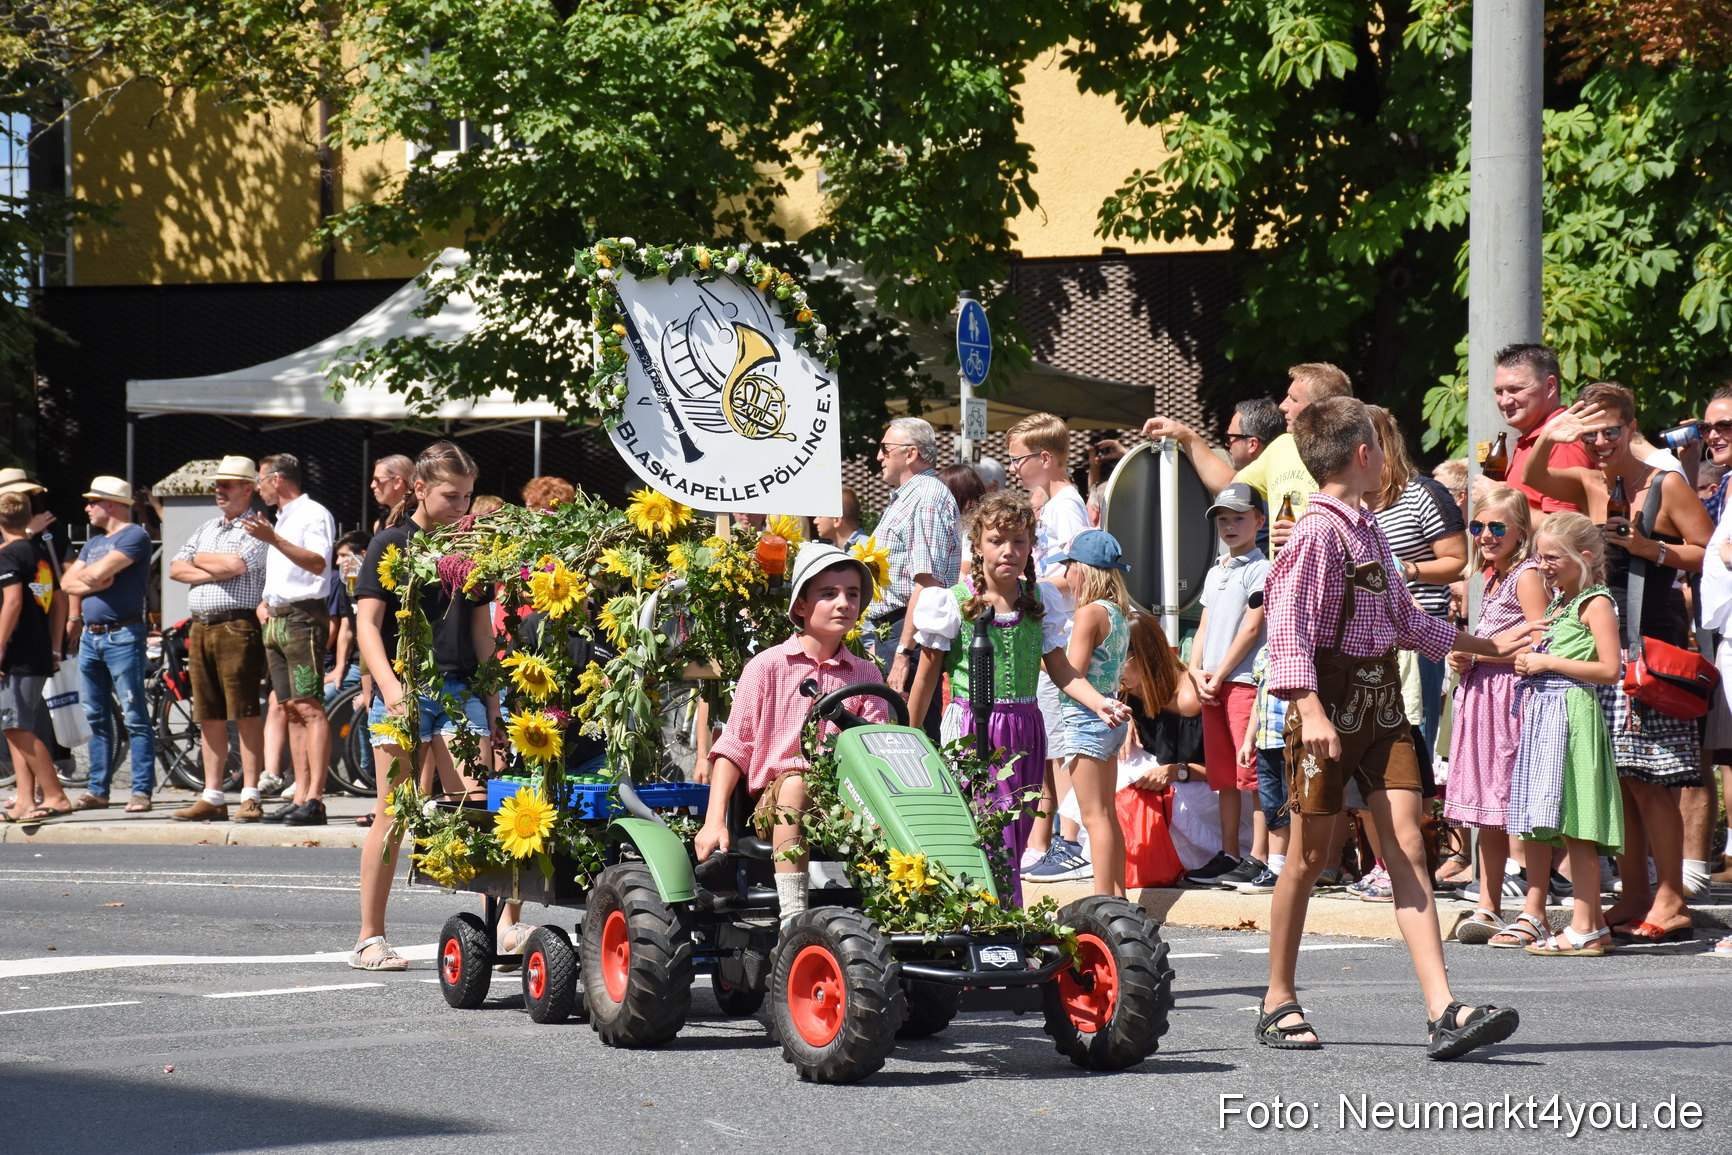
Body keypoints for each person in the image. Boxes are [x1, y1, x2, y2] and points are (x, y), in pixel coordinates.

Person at [1258, 396, 1522, 1058]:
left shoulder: (1370, 526)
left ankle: (1444, 1010)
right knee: (1309, 856)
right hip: (1325, 708)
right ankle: (1276, 997)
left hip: (1381, 706)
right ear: (1364, 454)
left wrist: (1495, 645)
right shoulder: (1317, 533)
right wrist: (1310, 710)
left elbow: (1408, 620)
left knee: (1406, 844)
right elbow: (1286, 629)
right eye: (1381, 445)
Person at [1518, 382, 1712, 944]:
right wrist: (1549, 438)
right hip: (1608, 642)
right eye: (1590, 434)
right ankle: (1633, 892)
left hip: (1652, 642)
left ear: (1632, 428)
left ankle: (1671, 897)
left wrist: (1649, 547)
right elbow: (1532, 480)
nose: (1600, 443)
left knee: (1654, 780)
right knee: (1622, 778)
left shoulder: (1665, 483)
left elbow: (1707, 550)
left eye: (1610, 431)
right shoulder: (1593, 481)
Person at [905, 499, 1131, 898]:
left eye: (1019, 541)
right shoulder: (953, 601)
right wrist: (908, 735)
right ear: (977, 545)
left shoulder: (1038, 599)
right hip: (972, 727)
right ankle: (989, 916)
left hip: (1026, 727)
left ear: (1031, 547)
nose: (1008, 550)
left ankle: (1004, 917)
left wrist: (1099, 702)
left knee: (1017, 832)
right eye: (996, 540)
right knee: (985, 830)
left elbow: (1062, 669)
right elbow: (925, 676)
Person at [351, 441, 499, 971]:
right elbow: (367, 624)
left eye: (467, 497)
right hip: (405, 689)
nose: (462, 507)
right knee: (393, 814)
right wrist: (389, 687)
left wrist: (494, 702)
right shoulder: (390, 543)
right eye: (451, 496)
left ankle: (500, 929)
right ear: (418, 490)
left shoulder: (474, 548)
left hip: (460, 692)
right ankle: (370, 937)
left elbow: (483, 632)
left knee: (483, 812)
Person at [694, 542, 888, 926]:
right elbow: (734, 747)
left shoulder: (867, 674)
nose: (844, 603)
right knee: (797, 782)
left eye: (852, 594)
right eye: (828, 594)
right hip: (775, 802)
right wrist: (714, 820)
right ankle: (793, 918)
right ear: (801, 606)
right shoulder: (766, 666)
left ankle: (895, 907)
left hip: (844, 797)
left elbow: (876, 746)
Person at [1507, 513, 1624, 955]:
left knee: (1578, 824)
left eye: (1553, 557)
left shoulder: (1595, 603)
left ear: (1584, 557)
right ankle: (1592, 925)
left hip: (1573, 716)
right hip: (1546, 714)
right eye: (1540, 556)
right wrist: (1528, 661)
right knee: (1556, 822)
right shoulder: (1559, 604)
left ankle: (1584, 924)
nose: (1544, 565)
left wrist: (1548, 663)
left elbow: (1610, 670)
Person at [1441, 487, 1550, 945]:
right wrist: (1464, 657)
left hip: (1512, 696)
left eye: (1497, 527)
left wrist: (1482, 658)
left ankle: (1534, 909)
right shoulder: (1491, 575)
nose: (1486, 535)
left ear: (1521, 531)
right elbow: (1492, 637)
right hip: (1483, 695)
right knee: (1488, 809)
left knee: (1521, 804)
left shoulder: (1526, 574)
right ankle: (1488, 904)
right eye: (1478, 526)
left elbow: (1544, 637)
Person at [1006, 412, 1093, 876]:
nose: (1014, 469)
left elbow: (1080, 571)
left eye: (1019, 459)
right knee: (1050, 744)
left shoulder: (1065, 506)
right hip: (1050, 631)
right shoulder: (1055, 504)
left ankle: (1070, 842)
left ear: (1045, 457)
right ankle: (1045, 843)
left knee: (1061, 745)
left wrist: (1032, 584)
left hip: (1060, 634)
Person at [168, 456, 269, 822]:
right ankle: (212, 795)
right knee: (207, 712)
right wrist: (213, 564)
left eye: (227, 484)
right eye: (217, 484)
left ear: (248, 488)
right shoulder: (208, 526)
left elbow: (235, 566)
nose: (219, 490)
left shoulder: (257, 527)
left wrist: (202, 563)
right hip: (201, 625)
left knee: (244, 710)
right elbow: (176, 568)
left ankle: (250, 793)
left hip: (236, 625)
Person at [1365, 406, 1468, 757]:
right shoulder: (1350, 499)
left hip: (1420, 634)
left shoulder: (1423, 493)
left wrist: (1408, 570)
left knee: (1412, 741)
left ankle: (1418, 810)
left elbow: (1458, 563)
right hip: (1367, 637)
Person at [242, 454, 336, 826]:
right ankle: (300, 794)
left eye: (261, 480)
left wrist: (272, 538)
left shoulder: (313, 513)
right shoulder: (284, 517)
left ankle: (315, 797)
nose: (258, 487)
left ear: (278, 479)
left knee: (309, 706)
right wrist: (267, 600)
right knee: (292, 708)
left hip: (302, 618)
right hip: (279, 617)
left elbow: (317, 564)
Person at [1185, 482, 1270, 887]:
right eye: (1223, 519)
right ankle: (1230, 852)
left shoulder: (1260, 567)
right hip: (1213, 683)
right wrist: (1195, 669)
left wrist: (1218, 675)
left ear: (1259, 520)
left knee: (1249, 771)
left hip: (1242, 682)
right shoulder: (1216, 570)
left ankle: (1260, 855)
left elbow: (1252, 627)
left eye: (1239, 517)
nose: (1230, 526)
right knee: (1223, 775)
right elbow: (1203, 626)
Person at [1048, 529, 1138, 897]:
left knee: (1093, 817)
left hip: (1087, 720)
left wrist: (1042, 658)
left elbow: (1073, 670)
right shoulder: (1117, 612)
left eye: (1069, 565)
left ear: (1082, 571)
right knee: (1106, 814)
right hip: (1108, 718)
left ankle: (1104, 900)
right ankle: (1118, 896)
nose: (1066, 574)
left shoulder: (1087, 614)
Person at [59, 475, 156, 812]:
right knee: (95, 716)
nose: (87, 508)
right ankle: (98, 790)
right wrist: (94, 582)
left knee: (134, 715)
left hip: (123, 635)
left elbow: (92, 576)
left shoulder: (134, 535)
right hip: (92, 635)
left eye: (92, 502)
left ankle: (141, 791)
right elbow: (67, 583)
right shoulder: (93, 543)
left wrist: (91, 580)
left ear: (110, 504)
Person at [868, 418, 960, 710]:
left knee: (910, 735)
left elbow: (928, 583)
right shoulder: (913, 496)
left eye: (885, 448)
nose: (879, 456)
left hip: (910, 634)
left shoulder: (926, 497)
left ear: (911, 453)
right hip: (897, 631)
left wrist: (902, 653)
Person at [0, 491, 72, 823]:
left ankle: (55, 795)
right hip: (38, 649)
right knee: (16, 726)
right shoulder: (38, 552)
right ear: (29, 518)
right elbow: (59, 601)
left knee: (15, 727)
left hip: (17, 653)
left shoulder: (9, 555)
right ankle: (26, 801)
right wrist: (56, 646)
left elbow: (12, 602)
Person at [1494, 343, 1591, 520]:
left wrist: (1500, 505)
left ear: (1550, 387)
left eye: (1515, 389)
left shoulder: (1564, 442)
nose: (1505, 401)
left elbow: (1567, 529)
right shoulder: (1530, 438)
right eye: (1499, 391)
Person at [1139, 396, 1287, 498]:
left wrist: (1187, 436)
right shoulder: (1285, 464)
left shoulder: (1266, 477)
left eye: (1231, 438)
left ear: (1252, 444)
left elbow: (1228, 485)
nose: (1228, 445)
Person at [369, 454, 413, 532]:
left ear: (397, 482)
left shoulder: (416, 519)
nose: (372, 485)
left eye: (377, 480)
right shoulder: (379, 524)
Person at [813, 486, 866, 551]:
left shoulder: (871, 549)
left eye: (820, 516)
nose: (815, 521)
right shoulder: (828, 552)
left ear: (836, 520)